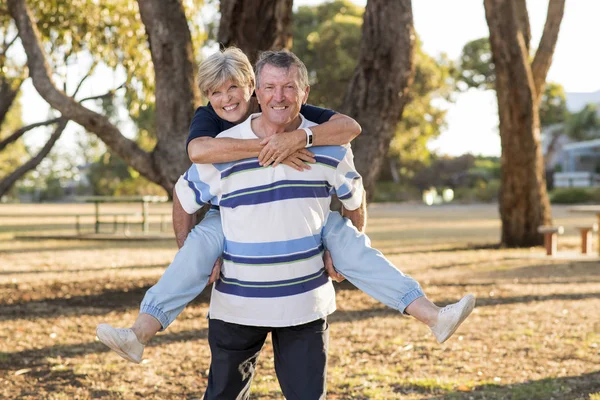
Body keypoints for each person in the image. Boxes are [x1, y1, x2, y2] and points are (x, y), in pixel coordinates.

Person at [96, 48, 475, 368]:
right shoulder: (212, 124)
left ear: (251, 89)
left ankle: (431, 315)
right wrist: (271, 150)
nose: (227, 99)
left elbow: (350, 130)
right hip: (223, 215)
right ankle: (141, 332)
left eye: (234, 89)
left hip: (308, 226)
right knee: (196, 250)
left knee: (349, 242)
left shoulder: (305, 119)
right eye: (216, 92)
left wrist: (295, 138)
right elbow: (197, 155)